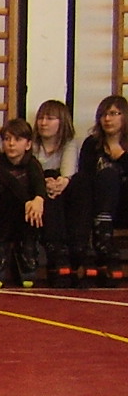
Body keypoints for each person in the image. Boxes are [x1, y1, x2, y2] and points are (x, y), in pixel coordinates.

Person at [0, 118, 46, 288]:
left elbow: (40, 184)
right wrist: (29, 201)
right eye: (7, 139)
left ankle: (27, 248)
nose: (11, 144)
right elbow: (12, 183)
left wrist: (39, 199)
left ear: (28, 144)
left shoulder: (33, 164)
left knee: (35, 207)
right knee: (8, 196)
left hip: (24, 219)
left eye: (17, 139)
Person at [77, 95, 126, 286]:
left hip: (122, 207)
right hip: (95, 208)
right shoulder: (92, 144)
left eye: (113, 113)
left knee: (110, 175)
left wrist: (122, 157)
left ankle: (103, 241)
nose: (107, 119)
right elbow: (85, 178)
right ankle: (101, 243)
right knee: (98, 178)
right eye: (103, 114)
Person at [32, 98, 82, 284]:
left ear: (62, 122)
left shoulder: (69, 142)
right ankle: (56, 249)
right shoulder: (32, 143)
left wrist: (61, 182)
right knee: (49, 179)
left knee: (80, 182)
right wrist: (45, 182)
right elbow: (31, 169)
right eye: (41, 118)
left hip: (61, 191)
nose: (43, 123)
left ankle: (76, 247)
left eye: (50, 118)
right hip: (39, 192)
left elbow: (68, 171)